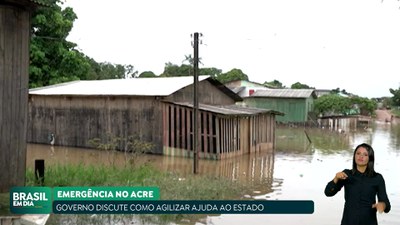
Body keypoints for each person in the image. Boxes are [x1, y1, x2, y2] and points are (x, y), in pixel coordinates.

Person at [324, 143, 391, 225]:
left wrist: (383, 205)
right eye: (358, 153)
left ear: (370, 158)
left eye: (365, 154)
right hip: (348, 221)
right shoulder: (346, 174)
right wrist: (336, 178)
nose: (361, 156)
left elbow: (387, 206)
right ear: (354, 156)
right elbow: (328, 193)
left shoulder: (377, 178)